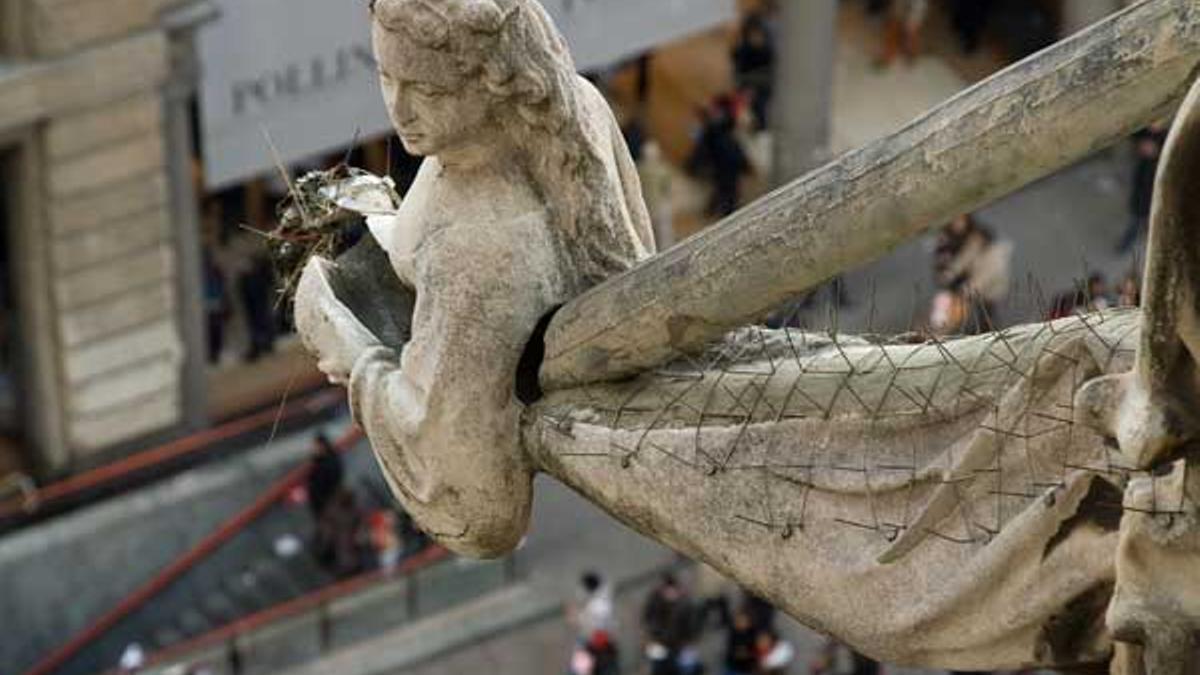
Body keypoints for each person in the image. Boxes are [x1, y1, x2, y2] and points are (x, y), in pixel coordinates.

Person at [1116, 122, 1169, 253]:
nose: (1155, 125)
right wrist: (1140, 144)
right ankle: (1131, 237)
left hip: (1156, 182)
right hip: (1142, 181)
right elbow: (1133, 135)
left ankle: (1146, 231)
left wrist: (1156, 153)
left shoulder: (1166, 136)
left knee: (1148, 214)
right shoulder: (1145, 131)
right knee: (1137, 217)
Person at [642, 573, 699, 674]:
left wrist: (688, 641)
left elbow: (690, 624)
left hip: (679, 646)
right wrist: (651, 637)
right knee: (659, 668)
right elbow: (648, 619)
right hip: (660, 644)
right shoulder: (655, 600)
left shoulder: (683, 603)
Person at [638, 141, 675, 250]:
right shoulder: (662, 170)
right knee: (663, 232)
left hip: (647, 204)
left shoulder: (639, 168)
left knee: (652, 231)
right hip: (656, 205)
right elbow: (667, 189)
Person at [305, 432, 343, 520]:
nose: (314, 449)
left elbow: (329, 482)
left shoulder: (329, 463)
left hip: (328, 503)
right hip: (322, 504)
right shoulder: (320, 461)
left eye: (317, 446)